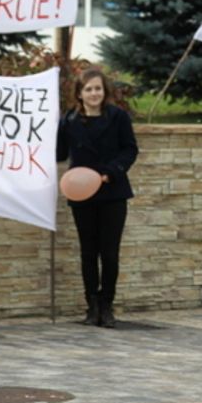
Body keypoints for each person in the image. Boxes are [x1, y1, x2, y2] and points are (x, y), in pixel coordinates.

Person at [56, 68, 139, 328]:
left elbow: (130, 149)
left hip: (112, 192)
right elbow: (59, 154)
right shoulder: (69, 121)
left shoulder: (118, 118)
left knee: (110, 253)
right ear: (80, 94)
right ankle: (91, 304)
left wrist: (109, 173)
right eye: (89, 89)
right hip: (82, 194)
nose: (94, 93)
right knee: (88, 252)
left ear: (105, 92)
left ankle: (107, 304)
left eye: (98, 89)